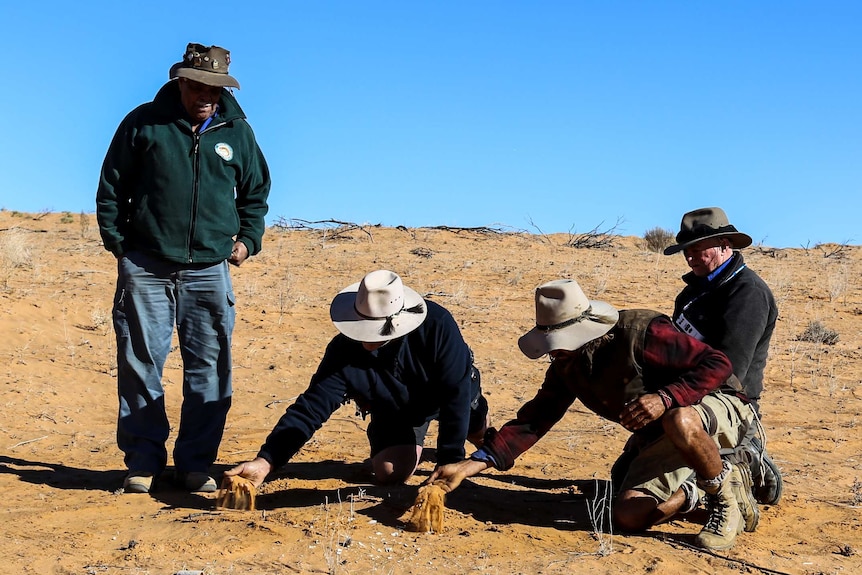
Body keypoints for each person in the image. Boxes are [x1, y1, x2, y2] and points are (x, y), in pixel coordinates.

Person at [431, 279, 759, 551]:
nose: (553, 350)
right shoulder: (566, 365)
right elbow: (535, 420)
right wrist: (470, 465)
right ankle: (693, 490)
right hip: (660, 433)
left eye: (559, 340)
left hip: (719, 405)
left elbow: (719, 365)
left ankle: (725, 498)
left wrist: (664, 398)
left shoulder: (642, 332)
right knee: (628, 515)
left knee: (680, 419)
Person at [96, 43, 271, 494]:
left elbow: (255, 195)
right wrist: (121, 247)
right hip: (147, 266)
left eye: (215, 88)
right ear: (180, 82)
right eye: (197, 86)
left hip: (210, 269)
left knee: (210, 368)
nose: (205, 95)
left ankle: (196, 463)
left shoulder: (238, 133)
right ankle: (143, 462)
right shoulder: (143, 123)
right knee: (140, 364)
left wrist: (247, 242)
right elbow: (111, 187)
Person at [225, 269, 489, 489]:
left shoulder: (437, 326)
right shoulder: (343, 351)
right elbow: (311, 407)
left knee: (479, 433)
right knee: (390, 471)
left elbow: (455, 392)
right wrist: (267, 461)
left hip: (446, 394)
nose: (366, 339)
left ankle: (480, 427)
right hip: (396, 409)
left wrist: (450, 459)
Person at [663, 207, 782, 505]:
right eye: (686, 251)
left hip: (731, 401)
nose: (690, 258)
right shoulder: (690, 294)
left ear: (724, 245)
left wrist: (672, 394)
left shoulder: (747, 293)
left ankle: (744, 456)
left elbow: (730, 372)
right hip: (689, 391)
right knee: (625, 475)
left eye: (697, 250)